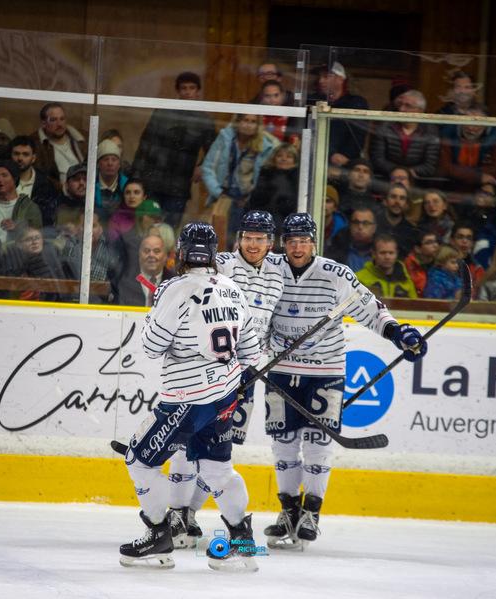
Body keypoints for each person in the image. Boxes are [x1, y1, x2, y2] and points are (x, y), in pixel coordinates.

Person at [262, 213, 426, 549]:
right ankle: (289, 511)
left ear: (314, 242)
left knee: (318, 441)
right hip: (281, 368)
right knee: (283, 442)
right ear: (283, 243)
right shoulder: (268, 268)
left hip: (326, 369)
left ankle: (311, 513)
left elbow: (370, 308)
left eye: (303, 241)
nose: (297, 248)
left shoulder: (335, 274)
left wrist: (398, 334)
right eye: (291, 241)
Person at [120, 222, 261, 572]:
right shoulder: (233, 288)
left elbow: (152, 346)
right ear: (213, 254)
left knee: (139, 460)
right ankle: (243, 544)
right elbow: (251, 353)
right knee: (218, 469)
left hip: (186, 399)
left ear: (180, 252)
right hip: (223, 396)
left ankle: (158, 536)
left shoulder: (174, 288)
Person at [165, 211, 286, 549]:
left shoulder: (278, 274)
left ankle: (188, 513)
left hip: (247, 373)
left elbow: (268, 325)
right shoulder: (221, 265)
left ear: (270, 243)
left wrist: (259, 360)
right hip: (209, 371)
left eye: (259, 239)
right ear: (238, 239)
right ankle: (177, 513)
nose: (253, 244)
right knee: (186, 440)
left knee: (219, 450)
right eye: (247, 237)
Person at [131, 72, 216, 228]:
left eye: (192, 88)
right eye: (184, 88)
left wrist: (203, 166)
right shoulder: (163, 113)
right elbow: (145, 145)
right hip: (154, 181)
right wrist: (136, 178)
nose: (188, 92)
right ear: (178, 91)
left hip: (179, 186)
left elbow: (214, 150)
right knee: (147, 226)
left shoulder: (204, 120)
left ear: (198, 92)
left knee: (169, 230)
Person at [202, 114, 278, 238]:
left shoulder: (265, 145)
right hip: (223, 196)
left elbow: (265, 178)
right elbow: (207, 168)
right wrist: (218, 192)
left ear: (258, 126)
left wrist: (250, 197)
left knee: (242, 238)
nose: (248, 125)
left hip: (248, 201)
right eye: (245, 120)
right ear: (237, 122)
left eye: (253, 122)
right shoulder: (225, 137)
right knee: (218, 237)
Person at [369, 89, 440, 182]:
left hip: (417, 182)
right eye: (400, 105)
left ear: (420, 111)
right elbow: (377, 159)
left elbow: (430, 166)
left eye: (408, 106)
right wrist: (398, 172)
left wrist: (407, 173)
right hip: (385, 180)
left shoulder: (430, 131)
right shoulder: (384, 127)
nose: (401, 109)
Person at [307, 62, 369, 166]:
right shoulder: (312, 101)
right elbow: (308, 132)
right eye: (320, 77)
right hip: (313, 159)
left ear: (340, 79)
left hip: (346, 163)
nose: (321, 81)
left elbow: (358, 135)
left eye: (326, 76)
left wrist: (345, 157)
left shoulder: (356, 103)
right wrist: (331, 155)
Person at [439, 104, 496, 195]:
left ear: (486, 125)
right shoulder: (448, 133)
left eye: (477, 124)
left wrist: (461, 172)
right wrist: (477, 177)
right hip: (451, 184)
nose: (471, 128)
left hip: (482, 184)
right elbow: (445, 167)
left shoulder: (495, 138)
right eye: (467, 122)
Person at [0, 161, 42, 246]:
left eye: (4, 175)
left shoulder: (29, 207)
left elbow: (38, 237)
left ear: (14, 178)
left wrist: (18, 228)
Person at [34, 102, 86, 191]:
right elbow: (40, 176)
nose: (59, 124)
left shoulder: (80, 140)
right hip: (57, 193)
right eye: (53, 120)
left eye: (62, 119)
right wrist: (63, 188)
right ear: (43, 123)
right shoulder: (36, 145)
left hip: (85, 190)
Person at [11, 135, 57, 228]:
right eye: (16, 154)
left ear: (33, 158)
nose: (20, 158)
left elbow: (48, 219)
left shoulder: (45, 184)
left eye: (25, 154)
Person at [247, 143, 299, 223]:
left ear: (295, 160)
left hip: (290, 221)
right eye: (279, 156)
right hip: (264, 220)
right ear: (274, 158)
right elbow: (255, 201)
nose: (283, 159)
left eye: (289, 157)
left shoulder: (299, 178)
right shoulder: (265, 174)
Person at [355, 234, 418, 299]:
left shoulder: (405, 279)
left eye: (391, 253)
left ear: (397, 254)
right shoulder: (359, 278)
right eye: (382, 253)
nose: (387, 257)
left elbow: (414, 303)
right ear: (374, 254)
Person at [116, 234, 172, 307]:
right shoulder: (125, 281)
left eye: (156, 251)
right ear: (139, 255)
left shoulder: (174, 283)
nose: (151, 255)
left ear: (165, 256)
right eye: (146, 251)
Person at [327, 206, 377, 272]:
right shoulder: (336, 247)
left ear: (374, 227)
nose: (360, 227)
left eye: (365, 223)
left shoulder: (382, 250)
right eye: (356, 222)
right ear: (350, 225)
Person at [449, 222, 486, 293]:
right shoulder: (442, 265)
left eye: (469, 238)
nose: (464, 241)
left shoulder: (478, 269)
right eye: (460, 237)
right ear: (452, 240)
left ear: (473, 243)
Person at [94, 139, 128, 213]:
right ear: (98, 164)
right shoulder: (90, 184)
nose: (110, 163)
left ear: (119, 164)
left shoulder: (127, 185)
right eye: (106, 159)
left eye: (114, 159)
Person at [405, 229, 440, 296]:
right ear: (417, 249)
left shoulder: (441, 264)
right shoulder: (408, 265)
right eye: (429, 243)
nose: (435, 245)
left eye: (436, 242)